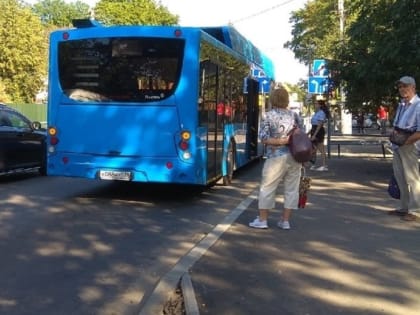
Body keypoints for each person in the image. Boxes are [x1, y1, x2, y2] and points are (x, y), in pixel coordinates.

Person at [249, 85, 302, 230]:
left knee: (267, 187)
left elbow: (264, 138)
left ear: (273, 99)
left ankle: (263, 220)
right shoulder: (295, 116)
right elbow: (300, 136)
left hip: (275, 157)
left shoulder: (269, 115)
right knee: (292, 189)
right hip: (295, 157)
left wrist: (278, 142)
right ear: (286, 99)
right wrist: (288, 141)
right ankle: (285, 221)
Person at [387, 76, 420, 221]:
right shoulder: (402, 105)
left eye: (405, 86)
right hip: (398, 145)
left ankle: (416, 211)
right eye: (400, 87)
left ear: (413, 87)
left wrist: (406, 141)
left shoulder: (418, 105)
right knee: (400, 178)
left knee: (413, 179)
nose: (402, 89)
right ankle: (404, 207)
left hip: (410, 145)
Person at [309, 100, 329, 171]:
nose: (315, 105)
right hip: (314, 130)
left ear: (320, 105)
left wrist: (314, 135)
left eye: (316, 104)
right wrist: (309, 133)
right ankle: (313, 164)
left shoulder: (321, 113)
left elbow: (319, 125)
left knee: (321, 148)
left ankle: (324, 165)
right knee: (313, 148)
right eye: (314, 103)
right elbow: (313, 125)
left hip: (318, 131)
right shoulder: (316, 113)